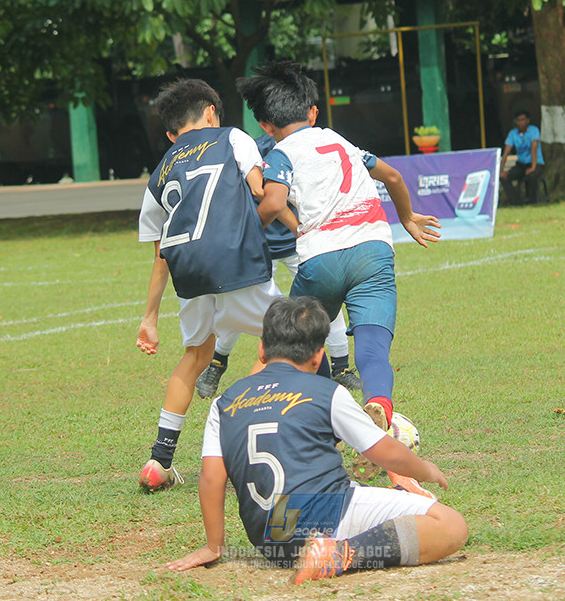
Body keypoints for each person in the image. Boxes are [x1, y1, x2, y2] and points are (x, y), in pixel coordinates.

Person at [166, 297, 467, 584]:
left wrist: (214, 546)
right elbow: (384, 451)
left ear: (261, 350)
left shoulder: (223, 402)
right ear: (319, 356)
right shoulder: (327, 392)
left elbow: (211, 479)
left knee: (362, 496)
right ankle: (338, 554)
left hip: (270, 540)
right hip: (327, 515)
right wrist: (424, 469)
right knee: (450, 525)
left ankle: (373, 516)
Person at [238, 61, 441, 481]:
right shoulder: (340, 141)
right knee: (371, 346)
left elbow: (274, 204)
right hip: (373, 248)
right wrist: (406, 218)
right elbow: (394, 175)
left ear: (264, 124)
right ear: (313, 112)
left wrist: (239, 235)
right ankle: (380, 405)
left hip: (321, 256)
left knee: (298, 341)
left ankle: (325, 425)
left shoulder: (279, 153)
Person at [135, 79, 284, 491]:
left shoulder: (160, 171)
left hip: (190, 274)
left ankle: (158, 460)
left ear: (171, 134)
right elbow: (259, 189)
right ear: (212, 113)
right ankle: (242, 429)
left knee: (195, 355)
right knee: (294, 340)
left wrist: (149, 318)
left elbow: (161, 253)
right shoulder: (232, 137)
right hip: (236, 261)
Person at [194, 133, 360, 400]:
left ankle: (341, 367)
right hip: (262, 243)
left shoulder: (308, 147)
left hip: (299, 242)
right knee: (238, 310)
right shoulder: (254, 149)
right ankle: (217, 364)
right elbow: (271, 199)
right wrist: (297, 229)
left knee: (327, 301)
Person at [499, 110, 545, 205]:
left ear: (528, 120)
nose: (520, 123)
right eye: (518, 120)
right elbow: (506, 152)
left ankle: (532, 201)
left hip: (536, 163)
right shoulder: (513, 134)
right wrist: (501, 170)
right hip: (521, 164)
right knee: (504, 178)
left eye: (523, 120)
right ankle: (517, 202)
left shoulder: (534, 130)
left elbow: (534, 148)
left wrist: (533, 167)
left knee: (532, 175)